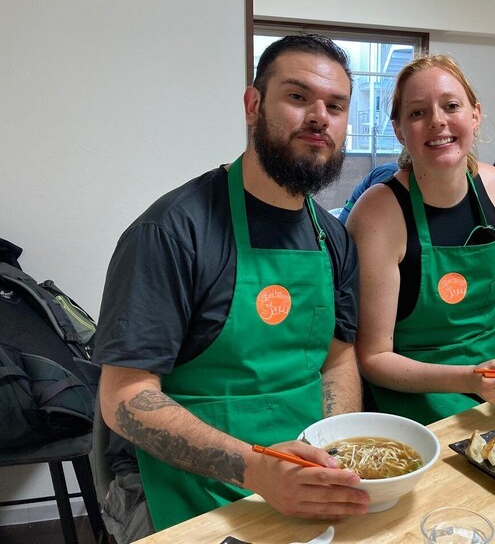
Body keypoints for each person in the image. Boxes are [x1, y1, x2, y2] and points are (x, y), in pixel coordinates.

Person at [93, 34, 369, 538]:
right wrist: (257, 469)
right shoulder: (173, 231)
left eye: (335, 105)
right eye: (298, 96)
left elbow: (339, 358)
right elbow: (124, 396)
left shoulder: (333, 239)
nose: (319, 116)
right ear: (253, 105)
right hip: (183, 482)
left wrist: (333, 449)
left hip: (305, 472)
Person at [346, 55, 495, 426]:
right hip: (416, 402)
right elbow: (375, 359)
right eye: (417, 113)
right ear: (398, 130)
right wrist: (468, 378)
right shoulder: (378, 214)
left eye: (451, 106)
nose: (437, 121)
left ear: (474, 115)